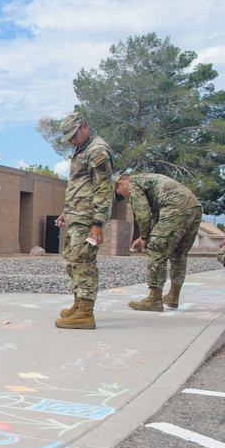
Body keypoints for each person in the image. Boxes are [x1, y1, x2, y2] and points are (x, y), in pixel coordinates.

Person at [54, 112, 114, 330]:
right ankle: (79, 304)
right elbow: (79, 187)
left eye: (73, 135)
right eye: (68, 137)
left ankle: (86, 313)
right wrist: (66, 212)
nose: (71, 140)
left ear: (85, 127)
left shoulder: (98, 151)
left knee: (84, 263)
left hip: (88, 219)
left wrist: (97, 223)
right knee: (71, 262)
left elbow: (103, 188)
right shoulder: (81, 149)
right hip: (77, 216)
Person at [115, 173, 202, 311]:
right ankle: (173, 295)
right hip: (194, 207)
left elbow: (142, 213)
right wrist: (145, 236)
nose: (125, 197)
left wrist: (145, 237)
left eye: (123, 195)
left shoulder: (134, 183)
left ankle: (154, 299)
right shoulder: (149, 180)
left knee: (156, 249)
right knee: (179, 253)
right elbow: (156, 215)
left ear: (120, 184)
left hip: (176, 206)